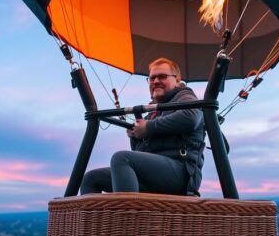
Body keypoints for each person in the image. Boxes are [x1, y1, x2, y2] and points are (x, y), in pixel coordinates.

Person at [80, 58, 206, 196]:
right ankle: (108, 211)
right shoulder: (153, 111)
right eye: (152, 78)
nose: (156, 81)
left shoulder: (185, 97)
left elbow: (190, 117)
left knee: (122, 158)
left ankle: (128, 210)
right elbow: (140, 152)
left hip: (182, 172)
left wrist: (148, 128)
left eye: (162, 76)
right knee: (91, 179)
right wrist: (135, 135)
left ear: (177, 80)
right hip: (156, 173)